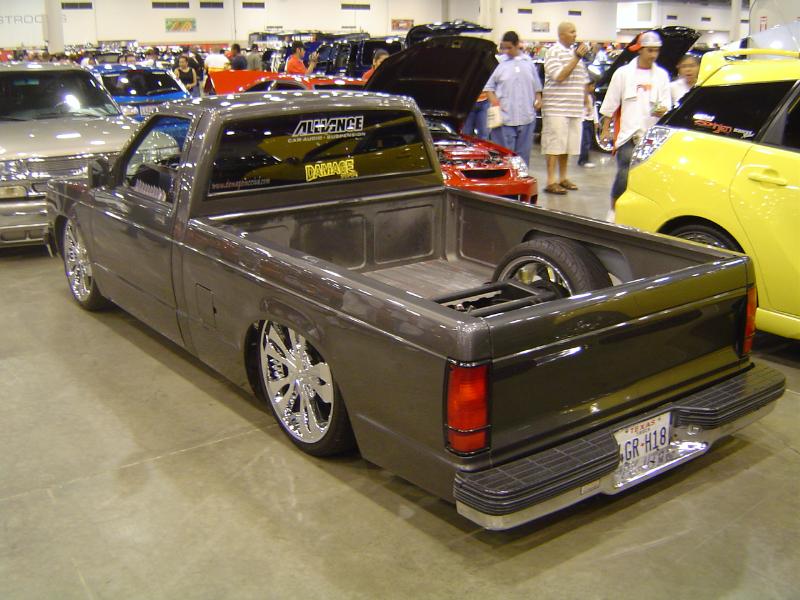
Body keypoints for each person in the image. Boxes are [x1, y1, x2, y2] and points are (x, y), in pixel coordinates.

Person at [600, 30, 671, 218]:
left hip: (652, 136)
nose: (653, 55)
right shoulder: (623, 74)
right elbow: (611, 102)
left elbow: (667, 104)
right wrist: (606, 129)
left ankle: (639, 214)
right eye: (650, 50)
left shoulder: (662, 75)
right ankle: (614, 211)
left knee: (648, 177)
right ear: (640, 50)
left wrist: (663, 109)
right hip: (629, 135)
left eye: (656, 50)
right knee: (624, 175)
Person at [541, 21, 591, 194]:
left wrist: (586, 101)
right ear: (561, 34)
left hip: (573, 108)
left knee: (567, 146)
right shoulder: (553, 52)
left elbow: (583, 80)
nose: (575, 34)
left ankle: (563, 178)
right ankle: (550, 180)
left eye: (575, 31)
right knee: (554, 145)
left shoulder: (574, 54)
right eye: (571, 31)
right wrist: (576, 57)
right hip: (556, 108)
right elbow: (559, 76)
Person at [484, 31, 543, 167]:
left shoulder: (528, 63)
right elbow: (489, 88)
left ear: (517, 45)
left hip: (526, 118)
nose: (506, 51)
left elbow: (537, 86)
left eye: (509, 48)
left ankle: (522, 179)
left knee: (523, 159)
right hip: (505, 119)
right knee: (505, 158)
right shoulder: (500, 64)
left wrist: (539, 99)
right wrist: (495, 104)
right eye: (504, 48)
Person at [577, 82, 596, 168]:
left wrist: (596, 121)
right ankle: (583, 160)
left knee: (588, 141)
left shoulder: (592, 97)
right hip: (584, 121)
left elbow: (594, 110)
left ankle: (586, 158)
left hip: (590, 121)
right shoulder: (582, 97)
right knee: (585, 141)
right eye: (591, 86)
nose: (593, 88)